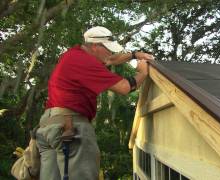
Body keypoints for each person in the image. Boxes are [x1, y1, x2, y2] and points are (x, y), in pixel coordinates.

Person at [36, 26, 154, 180]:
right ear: (95, 46)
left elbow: (111, 59)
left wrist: (134, 54)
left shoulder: (72, 55)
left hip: (48, 129)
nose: (111, 53)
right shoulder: (85, 62)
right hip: (69, 127)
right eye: (109, 49)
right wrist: (142, 73)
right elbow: (124, 87)